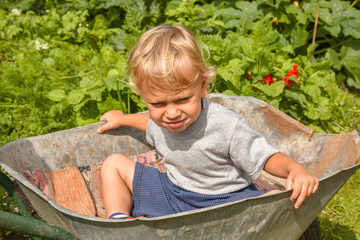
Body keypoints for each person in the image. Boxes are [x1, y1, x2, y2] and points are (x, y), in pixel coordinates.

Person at [97, 25, 319, 219]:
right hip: (174, 193)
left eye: (183, 99)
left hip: (227, 202)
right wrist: (123, 119)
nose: (172, 113)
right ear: (143, 97)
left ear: (202, 86)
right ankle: (119, 222)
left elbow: (265, 157)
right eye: (158, 104)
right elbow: (148, 122)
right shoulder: (159, 118)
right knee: (113, 164)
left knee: (274, 199)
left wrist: (294, 169)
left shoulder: (226, 125)